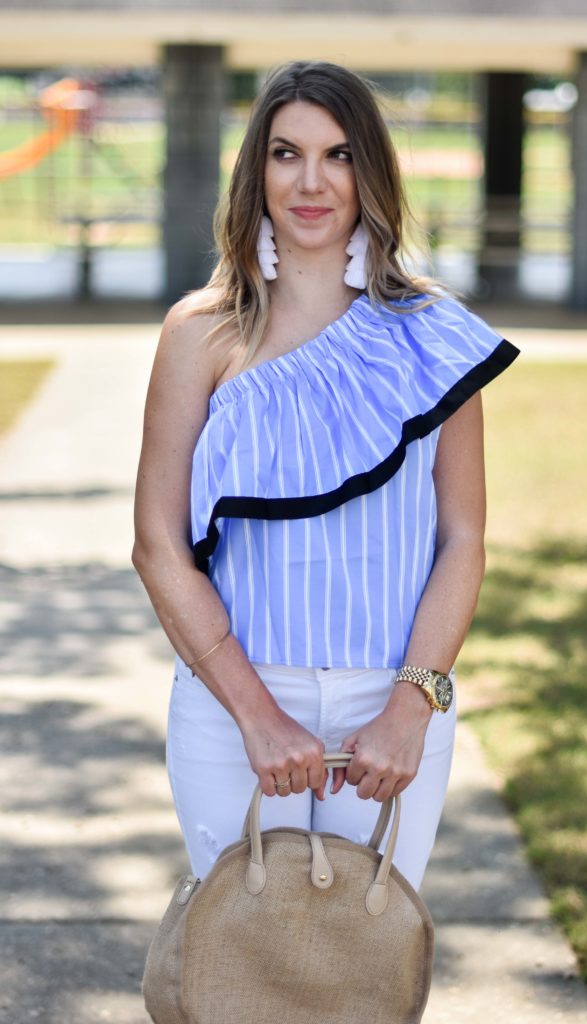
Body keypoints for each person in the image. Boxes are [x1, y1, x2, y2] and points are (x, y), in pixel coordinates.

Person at [132, 60, 519, 892]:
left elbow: (461, 538)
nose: (311, 182)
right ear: (255, 171)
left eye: (338, 155)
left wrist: (412, 706)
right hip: (233, 700)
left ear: (369, 170)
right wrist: (255, 714)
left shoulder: (432, 334)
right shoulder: (199, 333)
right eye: (285, 154)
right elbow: (158, 546)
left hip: (390, 704)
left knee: (363, 982)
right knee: (242, 980)